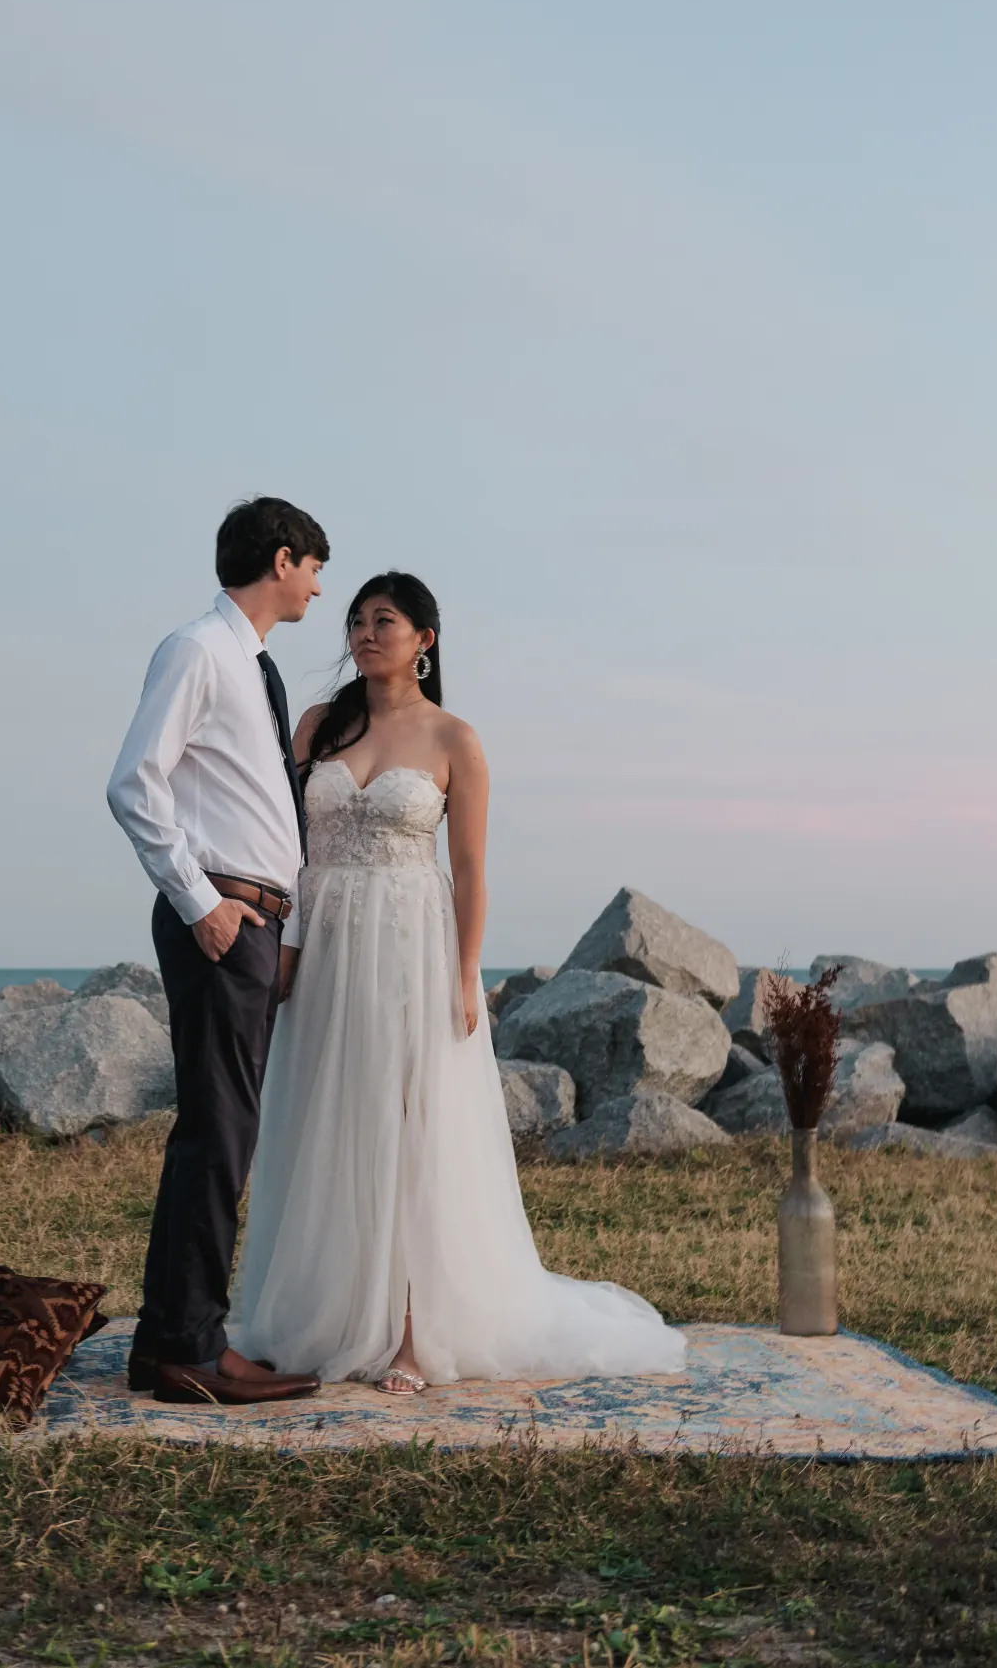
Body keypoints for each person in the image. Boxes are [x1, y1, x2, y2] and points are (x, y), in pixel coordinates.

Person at [228, 572, 686, 1393]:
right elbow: (282, 845)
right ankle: (320, 1309)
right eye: (357, 620)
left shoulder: (454, 740)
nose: (366, 633)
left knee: (408, 1127)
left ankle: (411, 1333)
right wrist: (286, 945)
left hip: (411, 945)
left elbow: (471, 871)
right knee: (327, 1120)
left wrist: (466, 972)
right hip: (325, 942)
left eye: (386, 620)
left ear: (424, 640)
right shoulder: (314, 726)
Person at [104, 496, 332, 1406]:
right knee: (217, 1134)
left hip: (253, 924)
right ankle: (186, 1350)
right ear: (282, 559)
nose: (319, 584)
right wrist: (204, 904)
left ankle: (180, 1337)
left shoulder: (251, 663)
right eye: (315, 566)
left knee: (222, 1134)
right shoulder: (198, 650)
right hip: (221, 920)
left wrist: (284, 924)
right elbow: (134, 782)